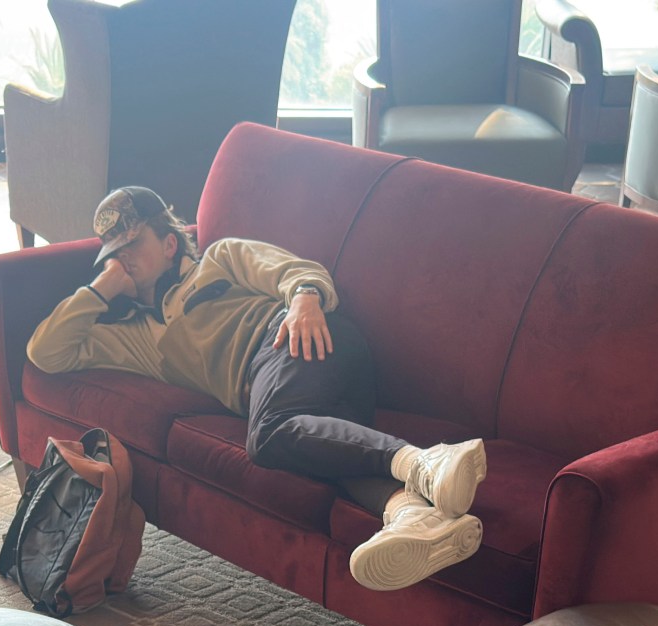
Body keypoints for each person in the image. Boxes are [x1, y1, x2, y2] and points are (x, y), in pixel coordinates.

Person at [24, 186, 491, 593]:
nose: (122, 258)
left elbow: (290, 271)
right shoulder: (136, 337)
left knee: (267, 435)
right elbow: (47, 352)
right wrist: (100, 290)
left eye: (133, 244)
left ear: (169, 242)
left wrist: (306, 298)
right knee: (316, 447)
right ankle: (412, 513)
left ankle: (426, 461)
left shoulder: (219, 259)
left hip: (305, 340)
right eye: (112, 253)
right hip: (294, 393)